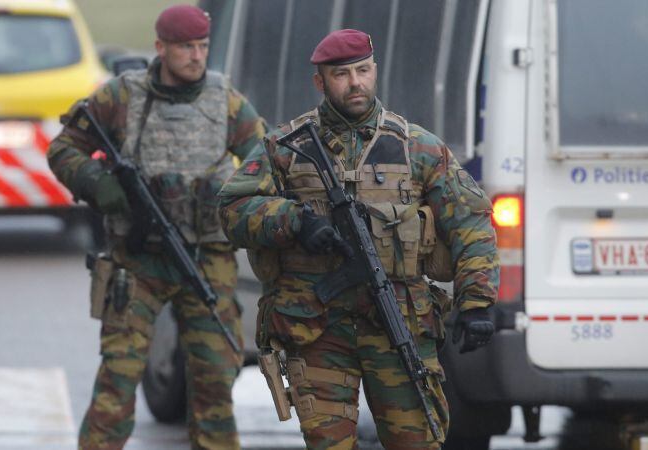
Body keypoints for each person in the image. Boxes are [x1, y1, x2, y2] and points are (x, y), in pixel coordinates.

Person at [218, 29, 499, 449]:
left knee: (418, 440)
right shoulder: (286, 147)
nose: (355, 83)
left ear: (375, 71)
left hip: (398, 323)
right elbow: (232, 208)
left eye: (363, 71)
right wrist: (294, 220)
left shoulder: (416, 148)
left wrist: (477, 301)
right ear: (321, 82)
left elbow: (472, 222)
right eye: (342, 74)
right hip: (316, 327)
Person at [47, 5, 265, 449]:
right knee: (119, 378)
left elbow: (265, 158)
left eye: (203, 46)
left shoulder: (225, 100)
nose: (197, 56)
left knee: (215, 380)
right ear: (161, 47)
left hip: (206, 260)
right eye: (186, 47)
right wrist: (97, 184)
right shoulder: (121, 98)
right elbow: (64, 146)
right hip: (138, 262)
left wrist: (239, 199)